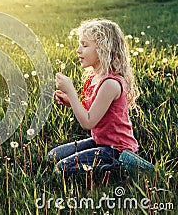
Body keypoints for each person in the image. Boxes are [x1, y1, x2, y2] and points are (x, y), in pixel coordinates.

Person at [47, 19, 139, 176]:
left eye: (84, 45)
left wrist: (71, 92)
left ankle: (120, 168)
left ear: (103, 49)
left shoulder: (110, 83)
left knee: (61, 169)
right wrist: (71, 102)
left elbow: (88, 122)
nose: (78, 50)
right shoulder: (95, 77)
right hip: (100, 142)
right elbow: (92, 110)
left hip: (116, 150)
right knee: (52, 157)